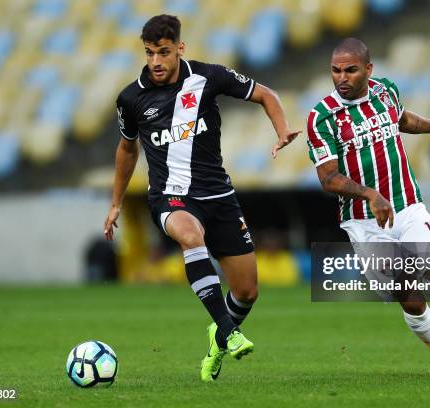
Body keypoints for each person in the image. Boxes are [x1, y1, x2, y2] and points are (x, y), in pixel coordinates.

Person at [103, 14, 300, 382]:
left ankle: (219, 335)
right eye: (149, 53)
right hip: (170, 197)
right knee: (191, 237)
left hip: (219, 196)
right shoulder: (130, 98)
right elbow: (127, 150)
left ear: (180, 48)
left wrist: (282, 129)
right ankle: (231, 331)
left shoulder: (208, 77)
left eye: (163, 52)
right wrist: (115, 202)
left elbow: (265, 94)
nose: (156, 62)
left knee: (247, 291)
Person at [307, 38, 430, 379]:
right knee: (405, 292)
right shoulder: (321, 116)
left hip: (406, 203)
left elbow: (402, 120)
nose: (342, 78)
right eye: (335, 71)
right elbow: (328, 177)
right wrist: (370, 195)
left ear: (368, 69)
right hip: (363, 222)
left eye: (350, 70)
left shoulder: (385, 91)